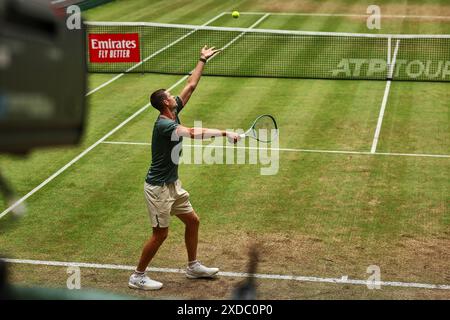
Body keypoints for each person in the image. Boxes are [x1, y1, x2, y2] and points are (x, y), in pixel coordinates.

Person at [129, 46, 241, 290]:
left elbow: (190, 86)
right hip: (158, 188)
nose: (174, 95)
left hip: (172, 184)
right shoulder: (165, 126)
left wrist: (202, 59)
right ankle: (137, 276)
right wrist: (224, 132)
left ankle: (192, 266)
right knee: (160, 234)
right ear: (165, 103)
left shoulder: (173, 112)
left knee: (192, 221)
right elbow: (191, 132)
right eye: (170, 95)